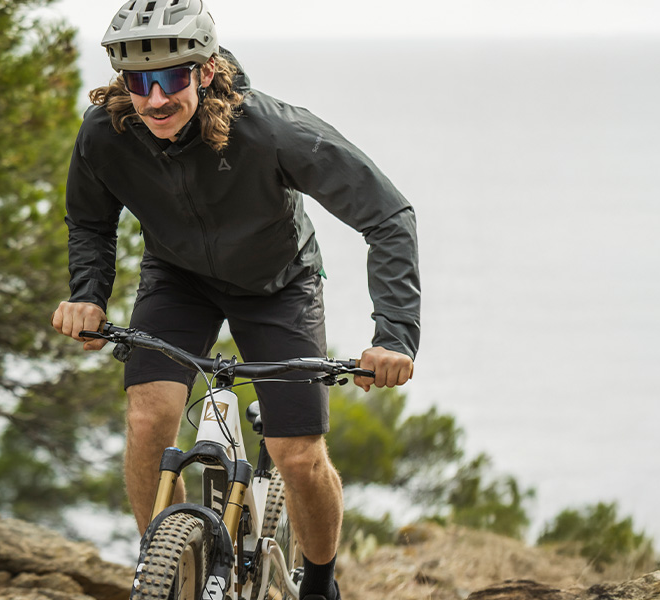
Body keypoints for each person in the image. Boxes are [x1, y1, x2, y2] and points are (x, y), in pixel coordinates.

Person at [49, 1, 420, 599]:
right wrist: (87, 297)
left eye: (170, 78)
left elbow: (388, 216)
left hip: (278, 285)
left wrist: (395, 337)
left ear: (204, 70)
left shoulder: (272, 131)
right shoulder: (105, 134)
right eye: (139, 82)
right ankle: (162, 571)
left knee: (296, 454)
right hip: (178, 280)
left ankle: (321, 582)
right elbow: (90, 222)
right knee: (148, 419)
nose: (155, 100)